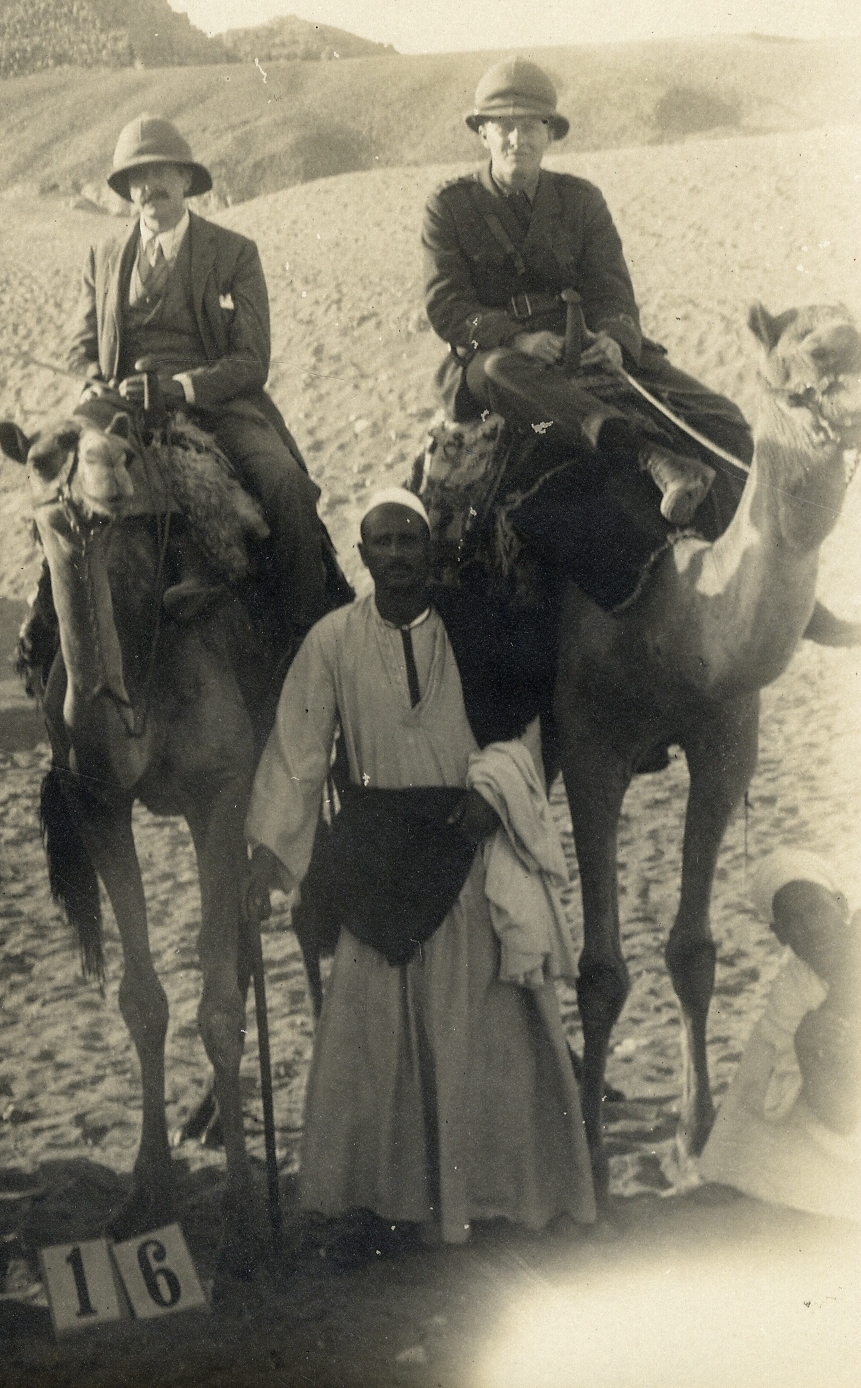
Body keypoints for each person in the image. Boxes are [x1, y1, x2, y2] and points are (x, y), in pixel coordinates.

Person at [247, 488, 595, 1259]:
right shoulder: (333, 640)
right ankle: (378, 1204)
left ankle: (495, 1199)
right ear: (362, 554)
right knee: (371, 1038)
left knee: (486, 1033)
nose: (399, 553)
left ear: (429, 549)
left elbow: (524, 726)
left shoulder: (475, 629)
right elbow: (299, 750)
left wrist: (491, 794)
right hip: (377, 855)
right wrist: (270, 852)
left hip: (464, 846)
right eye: (384, 541)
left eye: (410, 539)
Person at [29, 116, 336, 663]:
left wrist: (183, 388)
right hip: (120, 400)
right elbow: (81, 347)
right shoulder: (103, 255)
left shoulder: (235, 253)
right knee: (54, 468)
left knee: (285, 486)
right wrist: (97, 382)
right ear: (128, 190)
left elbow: (252, 359)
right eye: (137, 177)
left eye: (162, 172)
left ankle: (308, 639)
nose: (150, 186)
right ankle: (50, 627)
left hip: (218, 403)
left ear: (187, 180)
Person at [421, 56, 751, 527]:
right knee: (497, 372)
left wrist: (614, 338)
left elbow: (612, 287)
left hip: (585, 342)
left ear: (550, 134)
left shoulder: (581, 200)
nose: (518, 139)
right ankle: (648, 455)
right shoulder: (449, 207)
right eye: (504, 126)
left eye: (531, 126)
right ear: (483, 134)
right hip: (502, 357)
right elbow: (447, 304)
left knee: (723, 418)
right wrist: (518, 338)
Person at [679, 848, 861, 1219]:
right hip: (826, 1099)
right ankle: (738, 1170)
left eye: (815, 910)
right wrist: (804, 1046)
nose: (808, 928)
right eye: (791, 921)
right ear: (778, 934)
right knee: (765, 1058)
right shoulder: (793, 984)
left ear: (841, 905)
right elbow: (784, 1079)